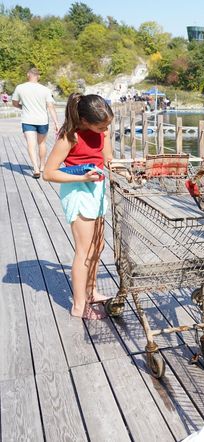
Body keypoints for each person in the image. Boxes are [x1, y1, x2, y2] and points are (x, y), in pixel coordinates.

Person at [43, 94, 114, 320]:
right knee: (84, 250)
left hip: (98, 189)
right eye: (101, 125)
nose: (105, 128)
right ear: (84, 120)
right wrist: (82, 178)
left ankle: (91, 291)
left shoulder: (103, 131)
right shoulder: (68, 138)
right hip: (79, 191)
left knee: (98, 246)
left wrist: (128, 167)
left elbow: (108, 159)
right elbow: (48, 173)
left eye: (108, 124)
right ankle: (79, 305)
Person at [11, 68, 59, 178]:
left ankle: (35, 168)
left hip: (28, 120)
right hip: (42, 120)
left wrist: (22, 107)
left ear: (28, 75)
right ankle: (42, 166)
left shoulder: (20, 88)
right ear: (38, 76)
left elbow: (14, 103)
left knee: (31, 145)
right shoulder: (45, 89)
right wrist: (56, 123)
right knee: (41, 144)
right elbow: (50, 107)